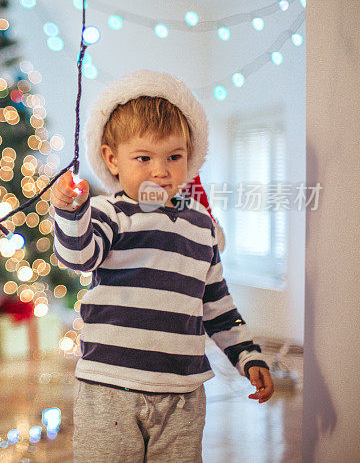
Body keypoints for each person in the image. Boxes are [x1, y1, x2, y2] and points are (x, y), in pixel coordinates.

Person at [50, 70, 274, 462]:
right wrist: (70, 210)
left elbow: (218, 306)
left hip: (183, 393)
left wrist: (248, 355)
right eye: (144, 157)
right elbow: (78, 255)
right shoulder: (109, 213)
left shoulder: (202, 227)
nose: (161, 170)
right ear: (111, 159)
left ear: (190, 158)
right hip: (111, 386)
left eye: (174, 157)